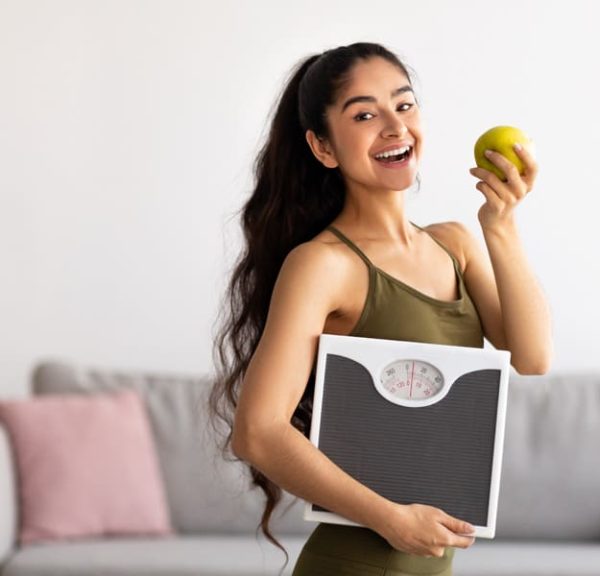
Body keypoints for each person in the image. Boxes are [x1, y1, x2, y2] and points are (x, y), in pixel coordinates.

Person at [208, 41, 553, 576]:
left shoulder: (455, 245)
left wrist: (500, 226)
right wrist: (390, 518)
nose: (395, 126)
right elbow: (257, 431)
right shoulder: (322, 265)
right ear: (324, 148)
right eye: (365, 114)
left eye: (404, 105)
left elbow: (533, 356)